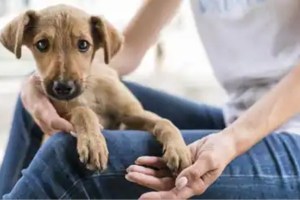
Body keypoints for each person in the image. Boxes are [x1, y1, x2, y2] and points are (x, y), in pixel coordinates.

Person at [1, 0, 300, 198]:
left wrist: (232, 141)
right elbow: (126, 51)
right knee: (36, 100)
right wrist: (37, 83)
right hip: (235, 116)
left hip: (292, 138)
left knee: (64, 156)